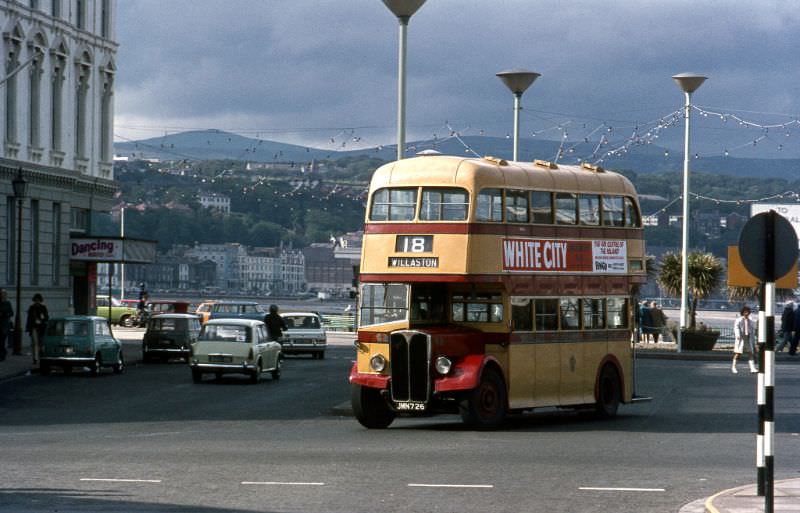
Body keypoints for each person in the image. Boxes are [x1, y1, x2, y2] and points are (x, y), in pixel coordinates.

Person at [732, 305, 757, 374]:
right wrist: (737, 335)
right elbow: (736, 328)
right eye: (745, 312)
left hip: (748, 338)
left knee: (750, 353)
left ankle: (752, 368)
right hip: (741, 338)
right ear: (742, 313)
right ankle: (734, 367)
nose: (747, 313)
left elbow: (753, 329)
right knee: (738, 353)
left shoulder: (751, 320)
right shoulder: (739, 320)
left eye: (748, 312)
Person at [26, 293, 48, 364]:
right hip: (34, 327)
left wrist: (41, 321)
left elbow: (46, 317)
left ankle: (40, 356)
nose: (37, 301)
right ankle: (35, 358)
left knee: (41, 343)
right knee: (35, 343)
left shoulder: (43, 307)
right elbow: (29, 318)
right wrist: (28, 327)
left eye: (38, 300)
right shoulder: (32, 308)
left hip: (41, 327)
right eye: (36, 300)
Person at [0, 289, 13, 361]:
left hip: (5, 325)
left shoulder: (8, 303)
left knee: (2, 340)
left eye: (4, 294)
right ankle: (2, 353)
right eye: (1, 294)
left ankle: (2, 354)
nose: (2, 295)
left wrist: (6, 314)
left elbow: (11, 312)